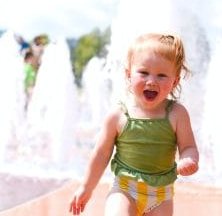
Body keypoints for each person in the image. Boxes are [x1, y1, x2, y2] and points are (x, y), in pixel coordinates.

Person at [69, 32, 199, 215]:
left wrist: (189, 158)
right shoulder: (118, 115)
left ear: (175, 81)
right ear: (129, 74)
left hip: (161, 195)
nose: (152, 81)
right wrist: (86, 187)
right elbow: (101, 153)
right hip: (124, 189)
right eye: (144, 73)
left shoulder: (177, 114)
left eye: (162, 75)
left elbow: (189, 146)